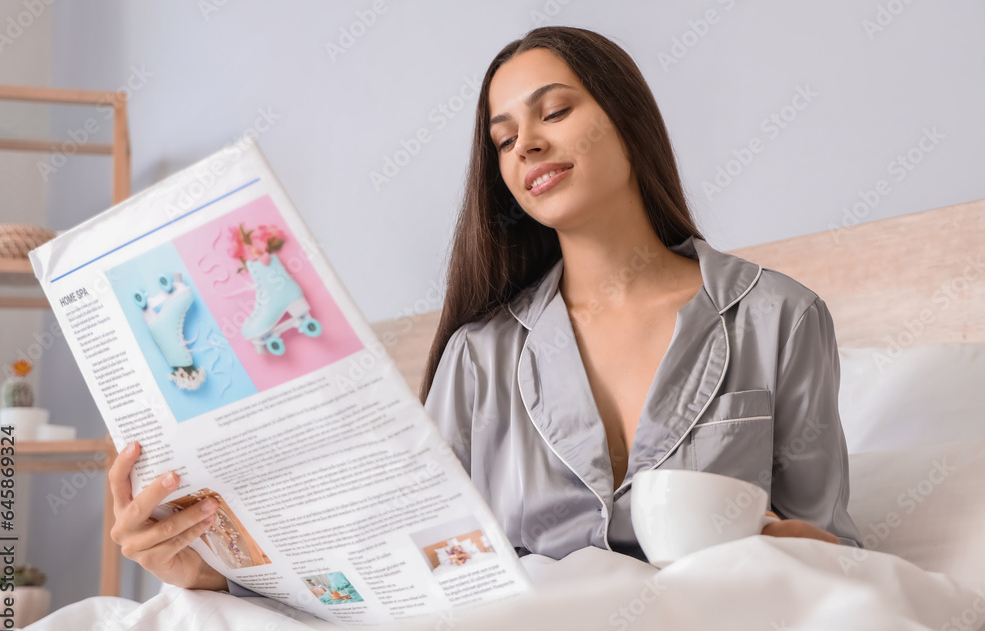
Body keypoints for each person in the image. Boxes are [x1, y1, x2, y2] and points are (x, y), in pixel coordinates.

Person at [107, 26, 862, 594]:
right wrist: (203, 571)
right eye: (503, 140)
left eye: (554, 111)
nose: (526, 145)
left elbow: (833, 550)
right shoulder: (478, 355)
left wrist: (787, 546)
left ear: (628, 119)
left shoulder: (779, 317)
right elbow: (407, 560)